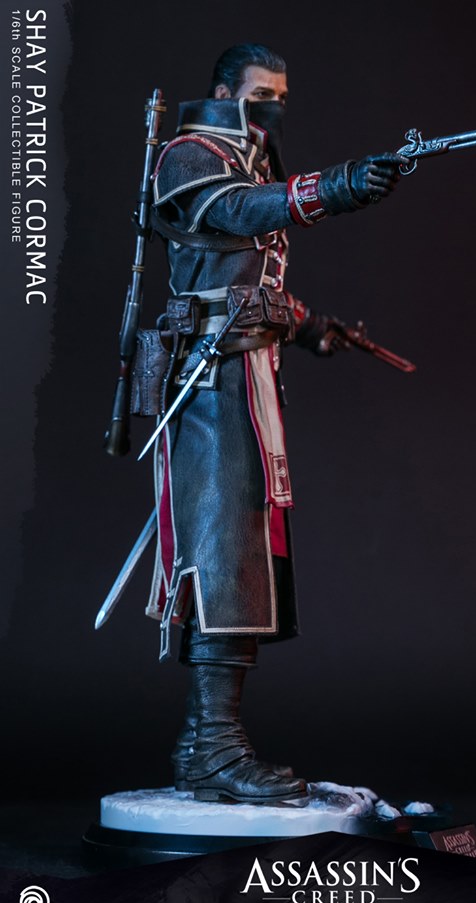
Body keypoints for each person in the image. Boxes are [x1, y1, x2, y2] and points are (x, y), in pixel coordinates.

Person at [146, 43, 403, 804]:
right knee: (223, 552)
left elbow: (249, 282)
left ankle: (211, 745)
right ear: (226, 91)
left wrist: (310, 326)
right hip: (207, 381)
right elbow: (230, 215)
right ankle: (212, 748)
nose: (274, 108)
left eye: (282, 97)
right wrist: (334, 188)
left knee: (250, 553)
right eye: (262, 94)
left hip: (249, 375)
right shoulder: (189, 154)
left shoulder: (251, 162)